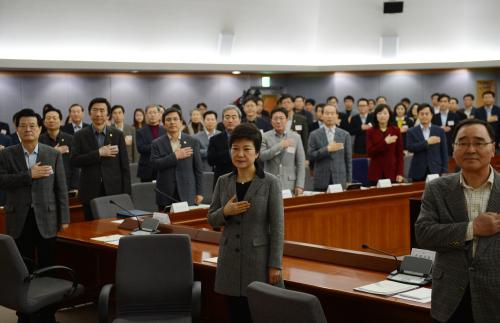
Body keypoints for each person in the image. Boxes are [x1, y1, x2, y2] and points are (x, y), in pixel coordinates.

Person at [415, 118, 500, 323]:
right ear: (453, 149)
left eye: (479, 143)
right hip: (450, 298)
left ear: (493, 149)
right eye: (462, 143)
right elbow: (424, 236)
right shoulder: (437, 188)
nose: (470, 149)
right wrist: (472, 229)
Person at [207, 124, 284, 323]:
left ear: (257, 152)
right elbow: (211, 218)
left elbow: (277, 228)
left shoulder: (270, 182)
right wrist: (226, 211)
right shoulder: (223, 181)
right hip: (229, 260)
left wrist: (275, 264)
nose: (240, 154)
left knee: (259, 314)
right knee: (235, 314)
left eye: (247, 149)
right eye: (235, 149)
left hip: (258, 260)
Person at [0, 108, 70, 323]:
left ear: (40, 128)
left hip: (47, 218)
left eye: (32, 125)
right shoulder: (6, 153)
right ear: (17, 129)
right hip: (19, 218)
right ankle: (25, 314)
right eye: (23, 126)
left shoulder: (52, 153)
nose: (28, 129)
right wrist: (28, 175)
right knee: (23, 268)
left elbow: (60, 188)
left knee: (48, 266)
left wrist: (64, 218)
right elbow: (2, 181)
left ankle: (48, 314)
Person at [71, 98, 131, 220]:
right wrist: (98, 153)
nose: (98, 114)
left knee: (115, 226)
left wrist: (127, 194)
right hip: (90, 190)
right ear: (89, 113)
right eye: (95, 110)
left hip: (114, 189)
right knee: (92, 228)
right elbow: (74, 160)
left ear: (108, 114)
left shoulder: (117, 135)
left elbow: (124, 166)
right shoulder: (80, 135)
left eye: (102, 110)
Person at [151, 108, 203, 210]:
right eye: (168, 120)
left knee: (187, 224)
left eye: (175, 119)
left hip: (187, 191)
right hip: (165, 193)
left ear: (181, 122)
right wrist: (175, 156)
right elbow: (155, 164)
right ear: (164, 123)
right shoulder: (156, 143)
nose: (172, 122)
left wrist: (199, 192)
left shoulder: (192, 141)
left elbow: (198, 170)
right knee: (165, 224)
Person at [260, 107, 305, 195]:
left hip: (290, 183)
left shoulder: (296, 137)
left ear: (287, 120)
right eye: (275, 118)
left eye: (281, 118)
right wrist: (280, 146)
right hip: (270, 182)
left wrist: (300, 185)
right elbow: (262, 156)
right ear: (271, 120)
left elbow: (300, 163)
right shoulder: (264, 137)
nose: (278, 121)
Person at [308, 104, 352, 190]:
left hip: (340, 178)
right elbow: (310, 155)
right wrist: (327, 149)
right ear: (322, 116)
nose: (329, 116)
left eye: (332, 113)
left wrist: (349, 180)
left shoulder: (345, 135)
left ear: (337, 116)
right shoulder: (314, 134)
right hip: (321, 179)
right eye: (327, 113)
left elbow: (348, 159)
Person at [39, 106, 80, 190]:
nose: (51, 120)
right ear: (44, 122)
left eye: (54, 118)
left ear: (60, 121)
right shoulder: (39, 140)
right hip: (45, 183)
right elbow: (37, 162)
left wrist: (75, 186)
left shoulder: (71, 139)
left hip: (67, 182)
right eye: (48, 118)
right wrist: (54, 152)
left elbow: (76, 163)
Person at [406, 104, 448, 182]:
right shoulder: (411, 131)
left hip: (436, 169)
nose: (424, 116)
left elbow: (444, 152)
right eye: (422, 114)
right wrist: (427, 142)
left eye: (427, 114)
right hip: (417, 170)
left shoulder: (439, 131)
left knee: (436, 193)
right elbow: (410, 147)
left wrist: (445, 170)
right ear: (418, 115)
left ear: (432, 115)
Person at [366, 104, 404, 185]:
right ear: (375, 115)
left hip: (392, 171)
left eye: (385, 113)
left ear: (389, 115)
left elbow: (400, 154)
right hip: (375, 172)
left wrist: (400, 172)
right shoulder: (370, 131)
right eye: (379, 113)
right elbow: (370, 152)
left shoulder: (396, 131)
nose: (382, 116)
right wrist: (385, 142)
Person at [207, 105, 242, 187]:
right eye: (227, 117)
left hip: (242, 178)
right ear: (222, 120)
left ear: (239, 120)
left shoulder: (246, 138)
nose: (230, 120)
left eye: (234, 117)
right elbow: (211, 160)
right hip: (222, 180)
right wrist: (232, 152)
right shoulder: (214, 139)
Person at [136, 104, 165, 182]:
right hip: (147, 169)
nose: (152, 115)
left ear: (159, 115)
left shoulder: (165, 130)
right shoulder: (140, 131)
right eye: (150, 113)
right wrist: (157, 146)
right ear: (146, 115)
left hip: (162, 167)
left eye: (155, 112)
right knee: (146, 192)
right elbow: (140, 148)